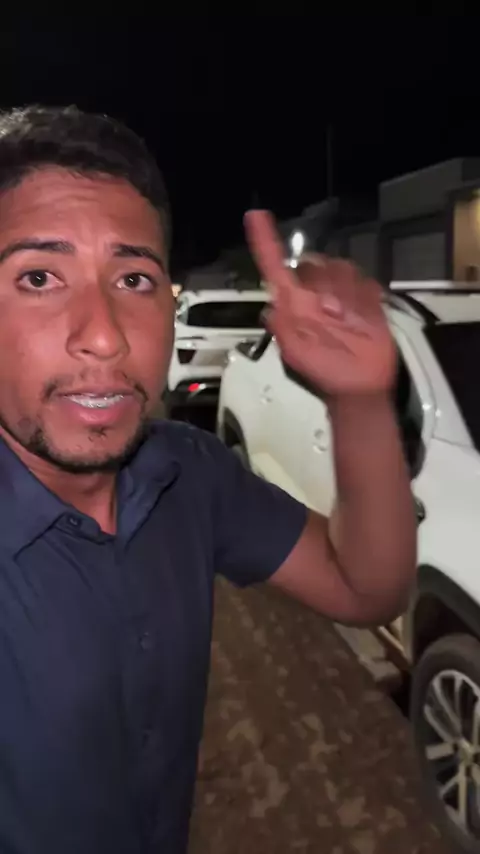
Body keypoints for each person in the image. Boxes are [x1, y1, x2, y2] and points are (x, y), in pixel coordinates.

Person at [0, 105, 416, 854]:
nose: (105, 334)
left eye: (134, 278)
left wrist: (358, 400)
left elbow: (366, 590)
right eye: (38, 277)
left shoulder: (187, 473)